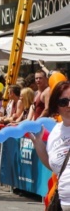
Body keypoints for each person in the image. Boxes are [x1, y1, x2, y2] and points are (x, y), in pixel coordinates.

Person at [30, 80, 70, 210]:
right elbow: (54, 165)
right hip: (64, 203)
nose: (69, 105)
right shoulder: (55, 132)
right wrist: (38, 143)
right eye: (64, 102)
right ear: (56, 106)